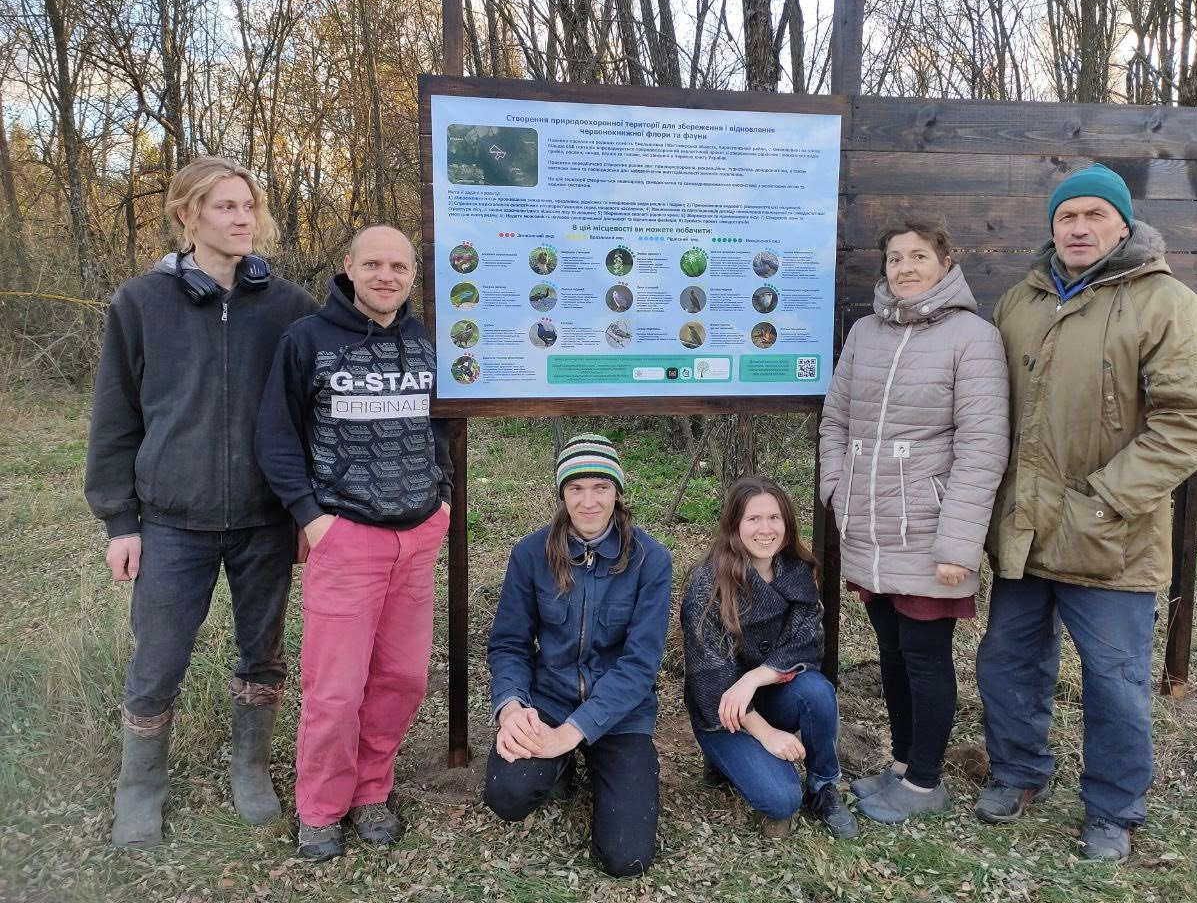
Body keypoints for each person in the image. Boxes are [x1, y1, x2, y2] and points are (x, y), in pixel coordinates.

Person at [977, 163, 1197, 861]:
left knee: (1114, 684)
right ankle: (1019, 773)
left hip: (1113, 536)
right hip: (1025, 530)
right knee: (1008, 663)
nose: (1078, 228)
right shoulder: (1019, 303)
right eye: (1066, 217)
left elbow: (1191, 423)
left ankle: (1114, 808)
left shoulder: (1165, 303)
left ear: (1122, 222)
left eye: (1093, 215)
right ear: (1051, 226)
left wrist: (1107, 499)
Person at [85, 156, 317, 848]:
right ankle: (140, 789)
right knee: (157, 659)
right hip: (170, 522)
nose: (243, 219)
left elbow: (311, 416)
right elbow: (115, 416)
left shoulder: (288, 306)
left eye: (249, 206)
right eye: (225, 207)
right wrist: (119, 520)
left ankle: (249, 769)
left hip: (264, 520)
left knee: (263, 654)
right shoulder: (140, 303)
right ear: (187, 215)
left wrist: (307, 512)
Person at [255, 224, 453, 861]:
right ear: (349, 267)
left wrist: (442, 497)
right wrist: (313, 519)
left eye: (399, 266)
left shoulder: (428, 342)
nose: (386, 276)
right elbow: (276, 437)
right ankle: (320, 808)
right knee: (335, 689)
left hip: (418, 537)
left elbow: (443, 425)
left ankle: (371, 791)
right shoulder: (307, 341)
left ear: (413, 275)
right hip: (345, 538)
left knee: (402, 679)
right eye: (374, 264)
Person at [818, 219, 1010, 824]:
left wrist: (958, 542)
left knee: (927, 657)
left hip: (931, 531)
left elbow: (983, 445)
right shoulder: (864, 334)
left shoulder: (973, 338)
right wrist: (836, 490)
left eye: (919, 255)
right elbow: (835, 421)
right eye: (895, 258)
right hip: (870, 524)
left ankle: (926, 783)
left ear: (945, 261)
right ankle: (901, 764)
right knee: (892, 652)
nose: (905, 267)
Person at [484, 434, 672, 877]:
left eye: (601, 487)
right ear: (562, 494)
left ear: (617, 492)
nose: (589, 502)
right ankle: (560, 768)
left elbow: (640, 665)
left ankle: (593, 760)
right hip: (549, 700)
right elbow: (509, 644)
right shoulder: (530, 554)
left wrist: (573, 732)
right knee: (506, 795)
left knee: (628, 859)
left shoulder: (651, 559)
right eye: (576, 488)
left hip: (620, 713)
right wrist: (512, 707)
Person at [682, 475, 858, 840]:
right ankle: (722, 760)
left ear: (787, 523)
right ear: (734, 526)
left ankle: (824, 786)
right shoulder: (707, 584)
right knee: (780, 800)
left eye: (774, 518)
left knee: (817, 691)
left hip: (772, 693)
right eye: (753, 519)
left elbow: (808, 643)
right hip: (724, 712)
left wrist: (754, 677)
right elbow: (709, 680)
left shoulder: (798, 570)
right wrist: (765, 734)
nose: (766, 529)